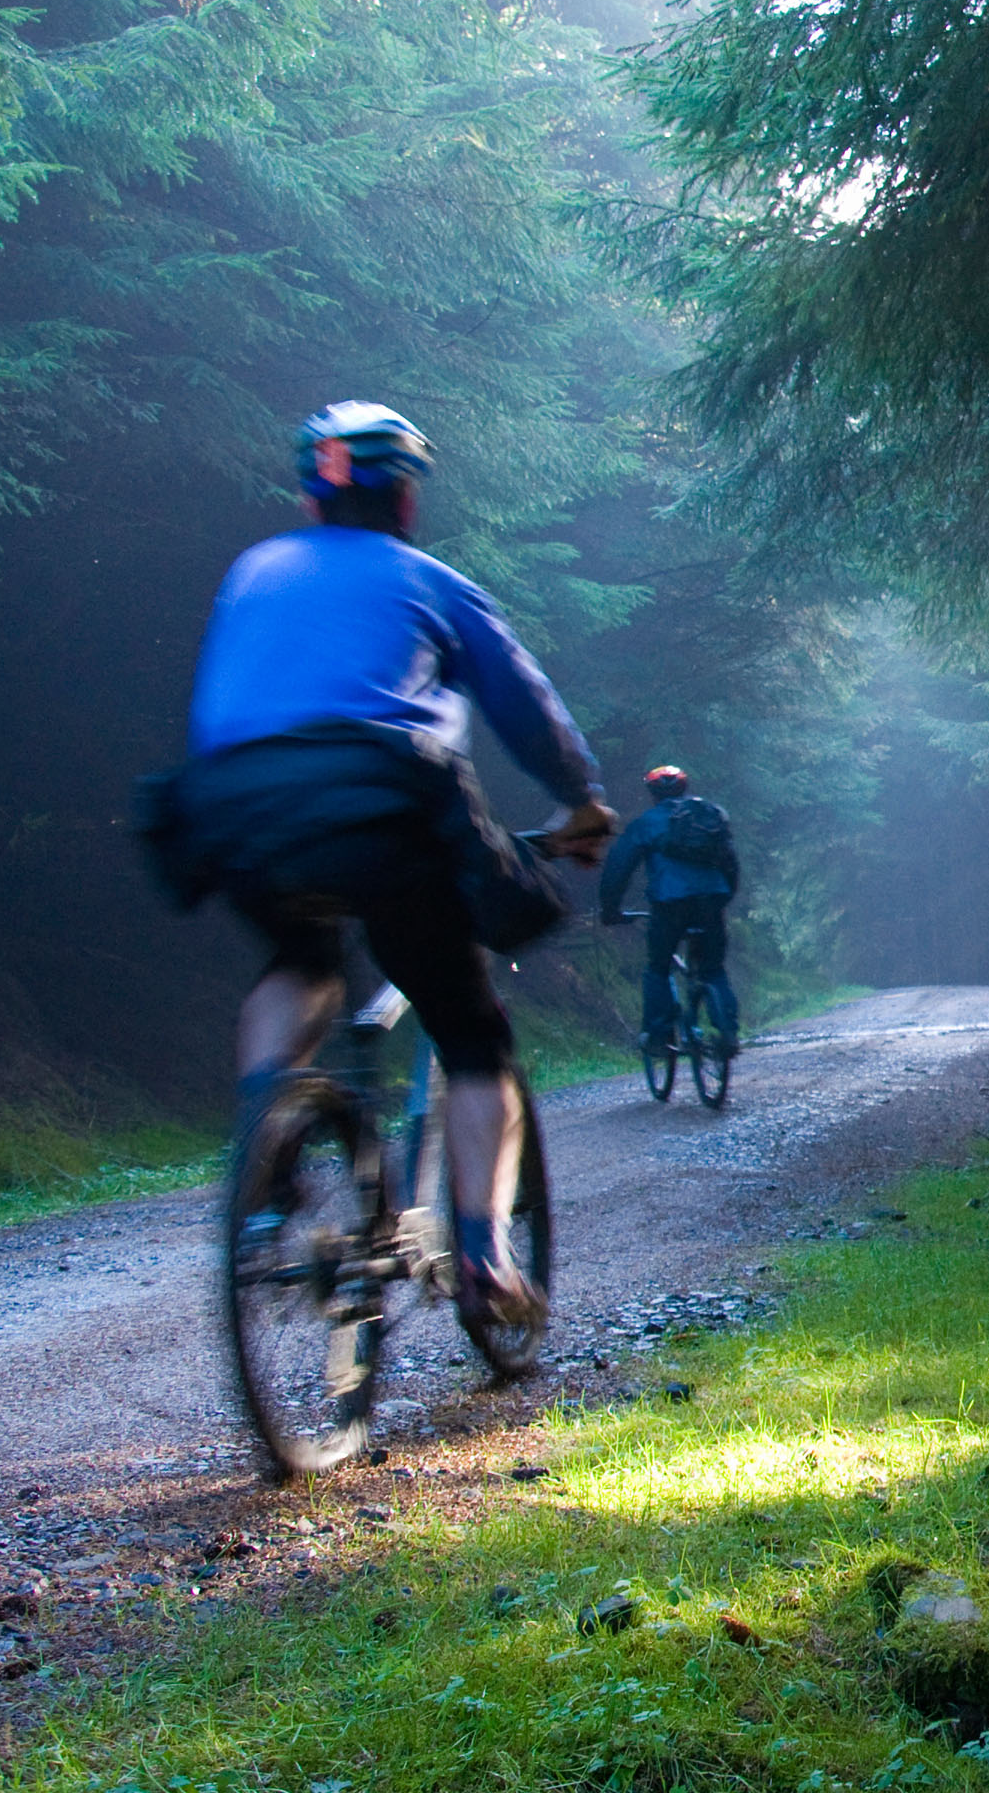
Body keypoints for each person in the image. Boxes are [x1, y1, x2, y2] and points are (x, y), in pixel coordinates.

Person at [140, 400, 615, 1329]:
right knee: (470, 1030)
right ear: (406, 500)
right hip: (381, 804)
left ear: (311, 499)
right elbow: (529, 714)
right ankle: (482, 1254)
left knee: (301, 963)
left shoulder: (253, 570)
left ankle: (265, 1140)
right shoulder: (429, 581)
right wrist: (584, 805)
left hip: (230, 806)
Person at [598, 765, 741, 1060]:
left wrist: (610, 909)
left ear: (652, 793)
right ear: (684, 788)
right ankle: (727, 1031)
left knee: (658, 968)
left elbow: (618, 868)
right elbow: (730, 863)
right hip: (712, 901)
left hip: (670, 904)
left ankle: (659, 1037)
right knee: (713, 969)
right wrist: (724, 898)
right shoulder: (710, 815)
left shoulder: (646, 823)